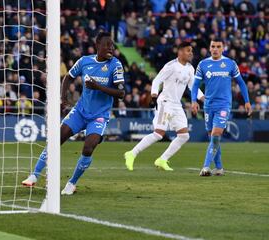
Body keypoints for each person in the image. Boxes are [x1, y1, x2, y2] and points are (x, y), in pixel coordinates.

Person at [21, 32, 125, 195]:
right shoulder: (84, 61)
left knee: (89, 147)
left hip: (99, 116)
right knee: (57, 139)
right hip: (80, 111)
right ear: (97, 45)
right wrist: (63, 99)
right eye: (107, 45)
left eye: (112, 45)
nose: (111, 48)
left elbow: (121, 93)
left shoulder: (115, 65)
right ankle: (34, 175)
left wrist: (98, 87)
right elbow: (68, 78)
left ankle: (71, 183)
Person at [124, 42, 204, 171]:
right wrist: (154, 96)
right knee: (158, 134)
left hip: (177, 105)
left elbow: (192, 87)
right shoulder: (171, 66)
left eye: (191, 51)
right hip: (165, 103)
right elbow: (157, 80)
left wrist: (203, 98)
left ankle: (162, 160)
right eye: (188, 50)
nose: (191, 53)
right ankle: (132, 153)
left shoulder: (190, 68)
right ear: (180, 52)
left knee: (184, 136)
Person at [191, 38, 252, 176]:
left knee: (216, 134)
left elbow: (241, 83)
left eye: (218, 46)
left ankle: (206, 167)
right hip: (208, 105)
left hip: (224, 105)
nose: (215, 49)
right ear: (210, 48)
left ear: (223, 48)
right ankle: (219, 168)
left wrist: (247, 101)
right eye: (213, 46)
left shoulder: (230, 63)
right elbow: (195, 85)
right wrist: (194, 101)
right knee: (212, 137)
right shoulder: (203, 64)